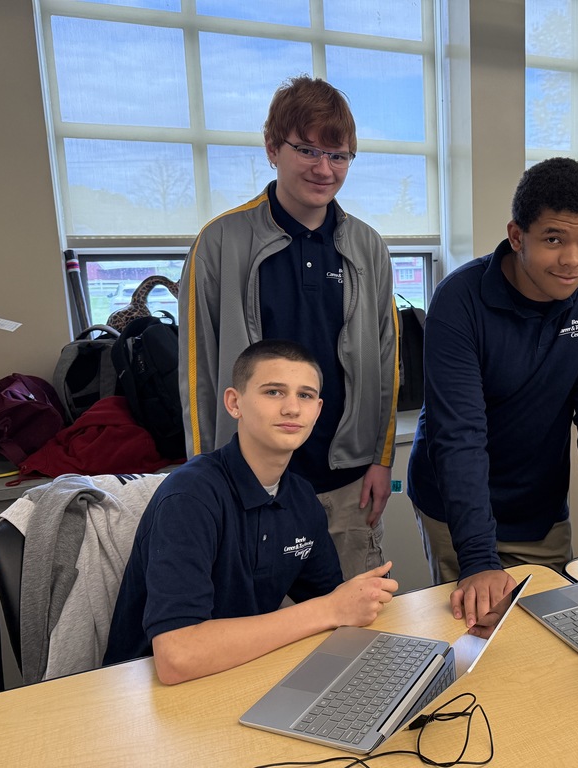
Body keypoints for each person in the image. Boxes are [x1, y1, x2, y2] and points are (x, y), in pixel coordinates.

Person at [407, 157, 578, 629]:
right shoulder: (460, 299)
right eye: (554, 239)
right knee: (479, 635)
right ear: (517, 237)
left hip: (539, 503)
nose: (574, 260)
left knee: (551, 631)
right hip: (456, 504)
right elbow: (460, 435)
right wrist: (476, 557)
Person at [178, 75, 398, 581]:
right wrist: (205, 482)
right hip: (250, 484)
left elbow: (387, 362)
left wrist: (381, 460)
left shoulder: (367, 247)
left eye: (338, 155)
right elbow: (198, 377)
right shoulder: (219, 243)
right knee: (256, 636)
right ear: (273, 149)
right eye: (307, 150)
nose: (324, 169)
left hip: (345, 482)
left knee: (354, 633)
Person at [105, 340, 398, 684]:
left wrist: (351, 604)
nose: (292, 408)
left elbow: (331, 604)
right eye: (273, 392)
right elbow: (177, 656)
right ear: (234, 403)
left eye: (305, 396)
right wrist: (331, 609)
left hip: (240, 671)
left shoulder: (302, 498)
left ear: (318, 410)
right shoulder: (190, 497)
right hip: (144, 693)